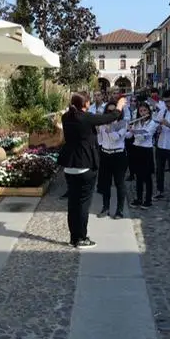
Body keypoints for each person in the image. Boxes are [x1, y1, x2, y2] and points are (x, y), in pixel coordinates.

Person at [58, 92, 125, 248]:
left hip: (69, 166)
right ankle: (81, 238)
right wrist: (120, 105)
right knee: (83, 204)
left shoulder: (66, 117)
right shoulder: (86, 117)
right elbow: (110, 117)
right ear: (86, 103)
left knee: (73, 204)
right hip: (85, 165)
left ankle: (74, 237)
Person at [95, 99, 128, 219]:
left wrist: (109, 129)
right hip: (105, 154)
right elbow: (100, 140)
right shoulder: (103, 124)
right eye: (108, 112)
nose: (111, 114)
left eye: (113, 111)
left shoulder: (123, 123)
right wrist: (99, 131)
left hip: (118, 155)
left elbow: (116, 138)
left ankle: (120, 210)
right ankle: (105, 207)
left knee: (119, 183)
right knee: (105, 183)